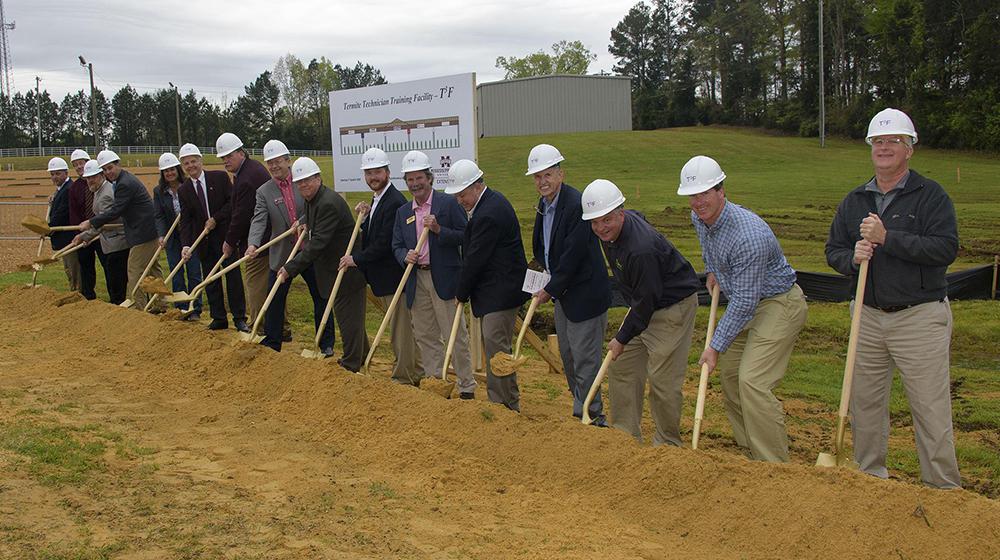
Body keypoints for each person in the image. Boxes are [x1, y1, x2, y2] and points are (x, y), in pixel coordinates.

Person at [825, 108, 961, 489]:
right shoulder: (855, 200)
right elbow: (832, 250)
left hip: (918, 317)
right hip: (866, 316)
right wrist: (851, 258)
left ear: (909, 149)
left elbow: (945, 249)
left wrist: (889, 238)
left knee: (929, 408)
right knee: (865, 406)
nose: (884, 148)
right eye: (878, 142)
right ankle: (872, 482)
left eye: (893, 141)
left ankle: (943, 489)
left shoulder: (929, 196)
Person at [680, 155, 807, 462]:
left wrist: (714, 345)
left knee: (753, 380)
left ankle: (773, 464)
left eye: (705, 194)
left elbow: (745, 302)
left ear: (721, 191)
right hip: (746, 299)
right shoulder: (699, 217)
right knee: (730, 374)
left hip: (778, 303)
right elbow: (709, 248)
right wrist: (713, 270)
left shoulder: (749, 236)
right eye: (692, 196)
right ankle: (749, 447)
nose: (698, 202)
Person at [582, 179, 699, 444]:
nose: (600, 228)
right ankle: (625, 437)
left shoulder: (641, 249)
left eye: (606, 220)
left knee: (662, 379)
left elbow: (647, 301)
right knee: (620, 364)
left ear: (620, 213)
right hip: (644, 303)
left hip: (672, 307)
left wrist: (622, 338)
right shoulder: (614, 229)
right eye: (595, 222)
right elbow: (640, 217)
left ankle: (667, 444)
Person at [527, 144, 611, 425]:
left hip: (585, 294)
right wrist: (541, 275)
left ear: (560, 174)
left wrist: (548, 289)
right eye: (537, 177)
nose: (542, 182)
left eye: (547, 174)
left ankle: (590, 415)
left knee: (585, 359)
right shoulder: (543, 205)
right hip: (563, 292)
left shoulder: (576, 205)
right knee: (569, 356)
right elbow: (542, 248)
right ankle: (584, 404)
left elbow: (573, 256)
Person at [390, 151, 475, 396]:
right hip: (417, 279)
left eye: (419, 178)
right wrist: (404, 255)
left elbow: (465, 236)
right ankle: (436, 382)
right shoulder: (403, 211)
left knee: (454, 334)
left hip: (445, 279)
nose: (415, 184)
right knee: (426, 335)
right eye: (410, 179)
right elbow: (396, 245)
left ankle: (466, 386)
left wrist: (438, 229)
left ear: (430, 178)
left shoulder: (447, 203)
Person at [449, 159, 529, 411]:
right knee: (494, 347)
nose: (460, 201)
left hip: (500, 292)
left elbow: (475, 259)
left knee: (497, 351)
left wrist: (461, 293)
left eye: (462, 194)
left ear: (476, 186)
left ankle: (505, 405)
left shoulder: (489, 214)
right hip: (495, 292)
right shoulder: (488, 204)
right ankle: (500, 402)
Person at [340, 148, 420, 384]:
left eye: (377, 172)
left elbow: (385, 243)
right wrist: (364, 220)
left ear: (387, 172)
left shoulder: (394, 201)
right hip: (384, 278)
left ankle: (404, 376)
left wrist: (356, 259)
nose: (373, 176)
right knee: (400, 328)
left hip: (393, 278)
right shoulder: (380, 199)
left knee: (400, 330)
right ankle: (414, 370)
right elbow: (375, 234)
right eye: (368, 173)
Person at [280, 157, 369, 371]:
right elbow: (313, 221)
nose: (303, 185)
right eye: (300, 182)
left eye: (308, 180)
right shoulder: (315, 200)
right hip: (333, 269)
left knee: (348, 320)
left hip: (345, 270)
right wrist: (303, 222)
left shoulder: (328, 202)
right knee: (350, 320)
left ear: (318, 178)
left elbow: (318, 243)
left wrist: (290, 268)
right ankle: (361, 355)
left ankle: (351, 364)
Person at [248, 140, 332, 353]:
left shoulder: (304, 180)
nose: (274, 166)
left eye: (278, 161)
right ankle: (273, 342)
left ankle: (325, 344)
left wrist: (305, 219)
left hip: (310, 251)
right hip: (284, 254)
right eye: (270, 163)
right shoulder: (264, 191)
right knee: (274, 297)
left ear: (288, 160)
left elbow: (320, 204)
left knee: (321, 296)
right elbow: (259, 220)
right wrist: (253, 243)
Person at [79, 150, 162, 310]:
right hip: (146, 230)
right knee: (152, 269)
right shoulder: (122, 180)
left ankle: (137, 307)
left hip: (143, 232)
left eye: (110, 168)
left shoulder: (124, 183)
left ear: (118, 164)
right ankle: (160, 303)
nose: (108, 172)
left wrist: (91, 222)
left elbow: (116, 211)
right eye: (104, 169)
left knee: (135, 269)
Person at [177, 143, 247, 332]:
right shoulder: (183, 190)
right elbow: (186, 220)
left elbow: (232, 204)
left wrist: (216, 218)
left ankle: (240, 318)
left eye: (193, 161)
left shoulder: (220, 177)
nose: (191, 166)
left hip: (225, 238)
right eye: (186, 163)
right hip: (204, 243)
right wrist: (186, 245)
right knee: (210, 280)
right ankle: (219, 318)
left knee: (233, 278)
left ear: (200, 161)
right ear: (182, 166)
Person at [218, 132, 272, 327]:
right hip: (265, 237)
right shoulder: (250, 169)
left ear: (241, 153)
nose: (226, 161)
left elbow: (241, 215)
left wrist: (229, 242)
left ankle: (259, 324)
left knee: (255, 284)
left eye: (229, 156)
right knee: (271, 283)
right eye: (223, 158)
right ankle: (279, 326)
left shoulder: (247, 178)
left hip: (259, 242)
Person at [71, 159, 128, 304]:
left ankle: (118, 306)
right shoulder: (98, 190)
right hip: (108, 242)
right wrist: (86, 237)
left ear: (102, 175)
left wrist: (84, 236)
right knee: (114, 278)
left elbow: (102, 222)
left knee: (116, 280)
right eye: (88, 178)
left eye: (93, 177)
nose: (90, 180)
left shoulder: (106, 194)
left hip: (117, 242)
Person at [153, 152, 202, 319]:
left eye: (172, 169)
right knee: (176, 273)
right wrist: (161, 235)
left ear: (177, 170)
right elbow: (158, 215)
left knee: (194, 272)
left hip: (191, 235)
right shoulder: (159, 191)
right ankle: (180, 308)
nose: (169, 173)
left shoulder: (189, 185)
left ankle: (194, 308)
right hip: (173, 238)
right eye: (165, 171)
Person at [67, 149, 100, 299]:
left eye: (81, 163)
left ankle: (116, 297)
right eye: (75, 165)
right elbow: (73, 214)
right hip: (84, 234)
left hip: (102, 230)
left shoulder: (100, 181)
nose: (79, 167)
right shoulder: (74, 188)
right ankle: (89, 296)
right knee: (86, 267)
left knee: (109, 264)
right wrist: (80, 235)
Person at [46, 157, 79, 291]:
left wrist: (47, 228)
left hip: (69, 238)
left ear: (66, 173)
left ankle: (78, 294)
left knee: (74, 269)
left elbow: (61, 214)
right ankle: (74, 291)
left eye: (58, 173)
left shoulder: (69, 189)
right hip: (63, 239)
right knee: (68, 269)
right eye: (52, 174)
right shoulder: (61, 189)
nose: (54, 177)